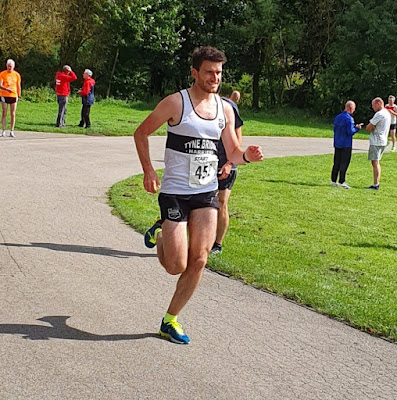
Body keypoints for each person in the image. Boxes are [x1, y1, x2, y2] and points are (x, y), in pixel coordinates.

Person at [134, 46, 263, 345]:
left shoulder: (226, 109)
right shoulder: (176, 103)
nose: (214, 78)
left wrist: (247, 156)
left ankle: (170, 320)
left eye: (218, 72)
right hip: (176, 193)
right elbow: (141, 133)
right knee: (175, 265)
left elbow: (231, 151)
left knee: (200, 259)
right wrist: (148, 171)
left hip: (206, 193)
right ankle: (162, 235)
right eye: (208, 72)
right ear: (194, 72)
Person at [210, 90, 243, 254]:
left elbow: (238, 138)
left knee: (222, 201)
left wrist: (230, 162)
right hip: (206, 161)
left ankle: (217, 244)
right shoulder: (198, 107)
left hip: (226, 162)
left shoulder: (229, 108)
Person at [330, 100, 363, 189]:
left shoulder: (337, 117)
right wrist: (357, 128)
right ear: (351, 108)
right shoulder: (349, 119)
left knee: (336, 162)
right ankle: (342, 181)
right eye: (354, 109)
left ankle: (333, 180)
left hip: (337, 142)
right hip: (346, 144)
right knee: (344, 163)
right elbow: (350, 132)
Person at [365, 97, 391, 190]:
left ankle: (376, 184)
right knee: (376, 162)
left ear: (379, 103)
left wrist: (370, 126)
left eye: (373, 105)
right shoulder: (387, 113)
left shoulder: (379, 114)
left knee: (375, 162)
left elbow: (368, 127)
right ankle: (376, 183)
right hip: (383, 140)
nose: (373, 107)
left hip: (376, 140)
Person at [0, 59, 21, 138]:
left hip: (13, 95)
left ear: (13, 67)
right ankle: (3, 130)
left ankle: (12, 130)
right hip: (4, 95)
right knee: (4, 112)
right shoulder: (2, 74)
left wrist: (19, 94)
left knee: (13, 113)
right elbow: (0, 84)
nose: (9, 68)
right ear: (6, 66)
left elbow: (18, 85)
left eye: (11, 66)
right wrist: (6, 89)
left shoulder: (16, 75)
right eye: (8, 66)